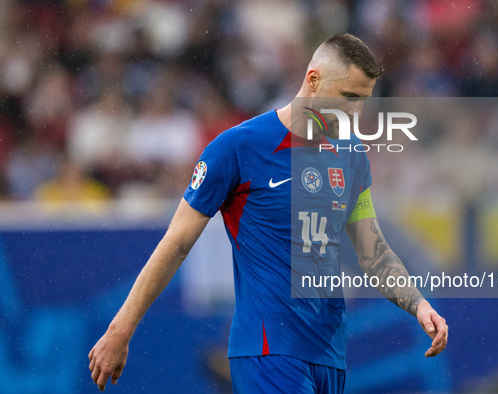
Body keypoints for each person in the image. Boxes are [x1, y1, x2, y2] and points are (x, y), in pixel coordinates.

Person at [88, 33, 448, 393]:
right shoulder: (238, 147)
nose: (355, 112)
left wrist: (417, 304)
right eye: (348, 97)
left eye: (363, 101)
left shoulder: (351, 153)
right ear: (313, 80)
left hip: (329, 353)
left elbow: (372, 250)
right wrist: (121, 328)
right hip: (268, 351)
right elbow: (177, 242)